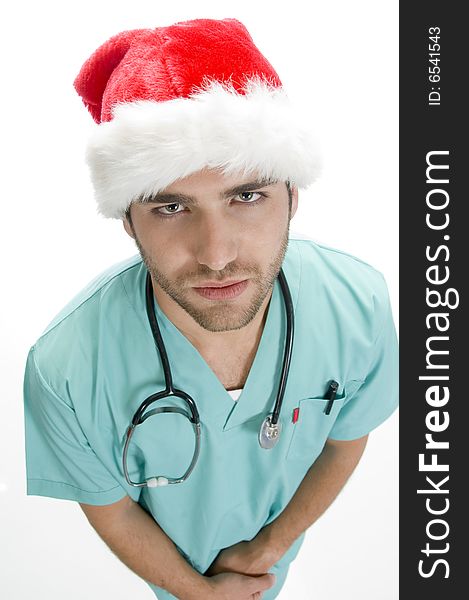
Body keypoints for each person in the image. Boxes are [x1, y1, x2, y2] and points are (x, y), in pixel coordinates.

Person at [23, 17, 398, 600]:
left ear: (293, 197)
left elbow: (345, 440)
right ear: (127, 220)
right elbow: (113, 511)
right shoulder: (66, 368)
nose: (217, 255)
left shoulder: (358, 306)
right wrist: (198, 595)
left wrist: (271, 547)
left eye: (246, 197)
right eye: (170, 208)